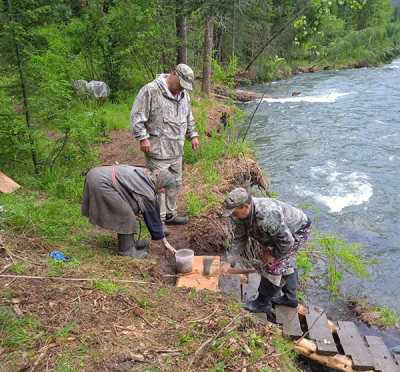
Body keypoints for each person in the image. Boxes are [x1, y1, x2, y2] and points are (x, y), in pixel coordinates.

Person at [221, 188, 311, 319]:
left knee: (274, 265)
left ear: (246, 206)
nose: (232, 216)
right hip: (280, 233)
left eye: (234, 212)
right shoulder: (240, 216)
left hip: (297, 230)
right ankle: (290, 299)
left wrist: (273, 254)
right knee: (284, 263)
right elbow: (240, 239)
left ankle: (262, 303)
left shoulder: (266, 215)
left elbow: (286, 242)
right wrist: (229, 261)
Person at [130, 64, 200, 232]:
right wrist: (142, 137)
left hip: (177, 149)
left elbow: (188, 116)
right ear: (173, 74)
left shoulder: (184, 95)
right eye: (180, 83)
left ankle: (171, 214)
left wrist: (193, 135)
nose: (181, 88)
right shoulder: (151, 90)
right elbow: (137, 115)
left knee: (175, 182)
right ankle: (159, 221)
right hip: (157, 149)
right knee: (159, 186)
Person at [81, 164, 177, 258]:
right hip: (100, 182)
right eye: (164, 190)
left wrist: (163, 239)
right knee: (126, 215)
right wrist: (165, 242)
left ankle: (130, 243)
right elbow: (151, 216)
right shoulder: (146, 189)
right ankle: (126, 250)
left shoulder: (148, 177)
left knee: (128, 210)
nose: (163, 192)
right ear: (162, 185)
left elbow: (154, 206)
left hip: (98, 174)